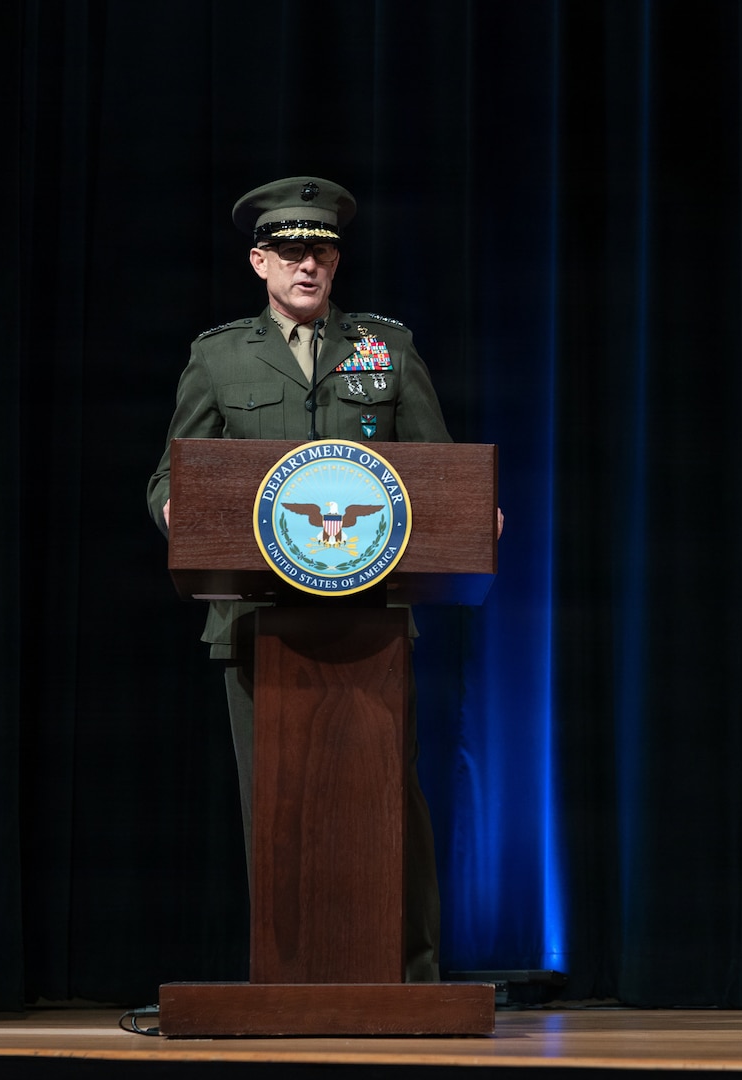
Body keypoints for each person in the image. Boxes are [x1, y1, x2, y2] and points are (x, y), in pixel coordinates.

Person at [146, 175, 451, 982]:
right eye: (289, 252)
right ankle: (288, 976)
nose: (307, 265)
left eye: (321, 250)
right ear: (259, 262)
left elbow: (436, 469)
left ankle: (410, 977)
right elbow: (167, 476)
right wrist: (179, 508)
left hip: (372, 614)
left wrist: (469, 512)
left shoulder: (386, 347)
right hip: (256, 620)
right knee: (274, 804)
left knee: (391, 800)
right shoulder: (216, 357)